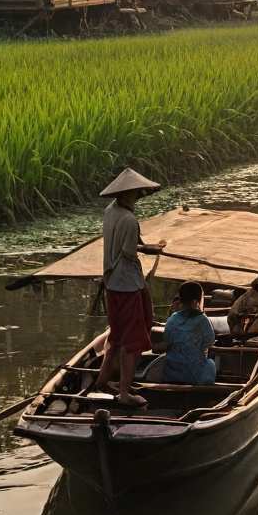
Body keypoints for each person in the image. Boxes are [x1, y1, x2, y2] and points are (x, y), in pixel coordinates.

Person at [94, 168, 166, 408]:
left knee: (116, 335)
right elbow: (128, 252)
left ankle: (103, 380)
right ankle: (124, 393)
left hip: (111, 283)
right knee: (132, 342)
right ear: (128, 194)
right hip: (127, 284)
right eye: (136, 193)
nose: (138, 196)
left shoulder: (110, 211)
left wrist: (146, 245)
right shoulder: (129, 219)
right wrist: (149, 250)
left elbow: (128, 243)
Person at [156, 281, 218, 385]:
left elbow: (167, 339)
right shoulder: (202, 320)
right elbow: (210, 341)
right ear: (197, 300)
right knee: (210, 363)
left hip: (172, 373)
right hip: (194, 374)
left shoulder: (172, 319)